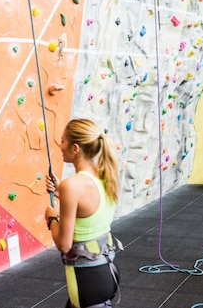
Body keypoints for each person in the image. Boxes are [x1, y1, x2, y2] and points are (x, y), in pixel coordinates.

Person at [44, 118, 121, 308]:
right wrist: (62, 192)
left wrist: (51, 218)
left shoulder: (73, 185)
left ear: (75, 148)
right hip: (108, 270)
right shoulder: (105, 174)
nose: (60, 146)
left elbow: (64, 244)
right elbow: (89, 209)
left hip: (85, 277)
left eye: (63, 141)